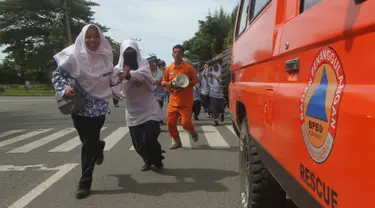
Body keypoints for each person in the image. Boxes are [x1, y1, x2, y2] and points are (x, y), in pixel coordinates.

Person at [52, 24, 114, 199]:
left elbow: (112, 77)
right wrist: (65, 89)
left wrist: (121, 78)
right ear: (82, 38)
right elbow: (57, 76)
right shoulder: (72, 55)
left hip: (99, 105)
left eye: (96, 37)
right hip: (78, 105)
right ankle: (98, 147)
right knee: (87, 140)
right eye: (89, 37)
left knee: (88, 143)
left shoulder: (105, 55)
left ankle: (85, 182)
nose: (92, 40)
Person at [112, 40, 165, 171]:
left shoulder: (144, 64)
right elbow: (114, 84)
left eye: (132, 53)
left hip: (149, 109)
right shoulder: (117, 70)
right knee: (138, 144)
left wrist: (130, 74)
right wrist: (121, 77)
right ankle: (147, 160)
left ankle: (157, 158)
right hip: (132, 112)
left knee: (149, 137)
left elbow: (145, 77)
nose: (130, 56)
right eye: (127, 54)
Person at [162, 44, 199, 150]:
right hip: (173, 101)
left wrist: (188, 83)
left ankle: (192, 131)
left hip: (186, 101)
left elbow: (196, 80)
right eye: (175, 52)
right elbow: (163, 81)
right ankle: (177, 142)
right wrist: (167, 84)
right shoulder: (169, 69)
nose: (177, 54)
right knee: (170, 123)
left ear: (182, 54)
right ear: (172, 54)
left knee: (185, 123)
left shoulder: (188, 68)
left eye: (179, 52)